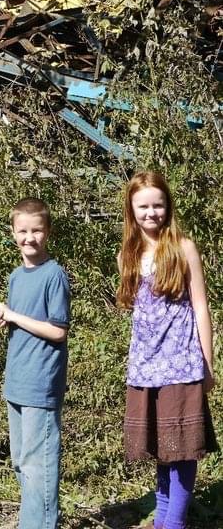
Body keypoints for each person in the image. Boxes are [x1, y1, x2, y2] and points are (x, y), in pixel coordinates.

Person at [117, 171, 218, 529]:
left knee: (184, 451)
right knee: (162, 451)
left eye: (158, 205)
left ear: (167, 206)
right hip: (146, 369)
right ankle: (162, 518)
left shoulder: (184, 248)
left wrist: (208, 363)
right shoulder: (126, 254)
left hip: (183, 366)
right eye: (143, 206)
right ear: (131, 209)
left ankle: (174, 523)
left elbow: (201, 307)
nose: (151, 213)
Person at [0, 197, 70, 529]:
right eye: (23, 231)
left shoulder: (55, 275)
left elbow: (57, 331)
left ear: (47, 232)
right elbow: (22, 322)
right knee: (21, 462)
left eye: (36, 230)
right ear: (13, 233)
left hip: (41, 383)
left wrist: (14, 315)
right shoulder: (15, 277)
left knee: (40, 466)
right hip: (16, 381)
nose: (29, 238)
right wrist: (4, 316)